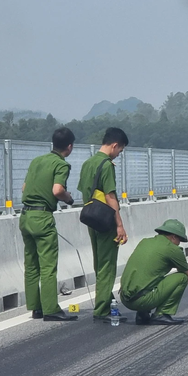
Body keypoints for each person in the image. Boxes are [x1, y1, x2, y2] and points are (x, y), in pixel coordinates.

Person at [20, 127, 77, 321]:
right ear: (69, 147)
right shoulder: (61, 164)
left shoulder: (37, 161)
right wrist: (68, 199)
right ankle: (51, 309)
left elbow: (24, 188)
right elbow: (57, 189)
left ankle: (36, 307)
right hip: (42, 218)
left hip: (26, 216)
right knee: (48, 265)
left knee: (31, 264)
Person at [119, 220, 188, 325]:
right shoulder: (172, 250)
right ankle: (162, 314)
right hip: (141, 301)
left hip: (125, 298)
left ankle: (142, 314)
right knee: (182, 277)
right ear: (174, 237)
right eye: (179, 240)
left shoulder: (145, 241)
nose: (179, 243)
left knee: (152, 276)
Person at [77, 127, 129, 322]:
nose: (119, 155)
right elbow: (110, 196)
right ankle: (102, 310)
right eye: (120, 151)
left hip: (92, 218)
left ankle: (106, 300)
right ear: (115, 145)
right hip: (106, 220)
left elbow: (83, 191)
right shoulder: (107, 165)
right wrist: (119, 225)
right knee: (107, 264)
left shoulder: (87, 163)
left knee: (99, 262)